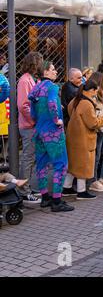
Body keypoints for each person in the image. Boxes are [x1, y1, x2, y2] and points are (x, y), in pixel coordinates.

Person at [28, 61, 74, 212]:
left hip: (39, 131)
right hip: (53, 132)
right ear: (46, 72)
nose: (55, 72)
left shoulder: (36, 88)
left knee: (41, 165)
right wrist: (57, 120)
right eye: (53, 69)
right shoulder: (52, 87)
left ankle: (45, 198)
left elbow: (32, 112)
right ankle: (57, 201)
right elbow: (52, 103)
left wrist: (40, 120)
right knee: (61, 165)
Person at [63, 78, 103, 200]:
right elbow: (93, 123)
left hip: (73, 136)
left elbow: (69, 111)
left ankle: (66, 187)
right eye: (96, 91)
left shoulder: (76, 100)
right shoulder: (87, 103)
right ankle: (81, 191)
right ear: (93, 90)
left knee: (73, 165)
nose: (96, 94)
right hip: (84, 138)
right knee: (82, 165)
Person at [17, 52, 43, 204]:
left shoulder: (29, 79)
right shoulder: (25, 80)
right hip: (29, 126)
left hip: (31, 125)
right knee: (28, 158)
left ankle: (26, 187)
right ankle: (24, 190)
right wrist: (34, 120)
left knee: (31, 158)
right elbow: (23, 105)